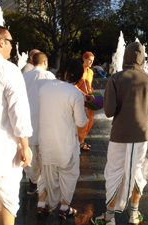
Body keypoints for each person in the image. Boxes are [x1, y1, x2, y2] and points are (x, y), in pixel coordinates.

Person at [91, 42, 148, 225]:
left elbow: (108, 111)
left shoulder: (115, 79)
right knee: (137, 172)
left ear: (126, 57)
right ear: (143, 58)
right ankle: (134, 214)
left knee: (113, 173)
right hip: (141, 136)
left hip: (119, 136)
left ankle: (109, 217)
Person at [0, 25, 32, 225]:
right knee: (7, 201)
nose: (12, 47)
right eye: (11, 42)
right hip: (3, 150)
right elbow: (19, 114)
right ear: (1, 42)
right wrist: (25, 147)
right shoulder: (7, 69)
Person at [36, 58, 88, 219]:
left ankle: (41, 204)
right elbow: (81, 122)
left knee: (45, 174)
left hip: (45, 141)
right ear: (78, 75)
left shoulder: (44, 87)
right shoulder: (74, 92)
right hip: (65, 144)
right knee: (69, 175)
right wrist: (85, 106)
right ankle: (64, 207)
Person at [23, 52, 56, 195]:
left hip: (28, 120)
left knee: (31, 152)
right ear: (45, 62)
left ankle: (32, 183)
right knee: (43, 155)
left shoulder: (23, 77)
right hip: (45, 120)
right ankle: (42, 184)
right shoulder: (49, 76)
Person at [76, 51, 95, 151]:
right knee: (83, 122)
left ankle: (82, 140)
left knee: (90, 121)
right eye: (89, 60)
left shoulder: (91, 72)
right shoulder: (79, 71)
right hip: (81, 100)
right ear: (84, 59)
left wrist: (93, 92)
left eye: (92, 61)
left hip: (89, 100)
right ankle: (80, 143)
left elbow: (89, 86)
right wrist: (83, 95)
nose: (91, 63)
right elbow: (74, 86)